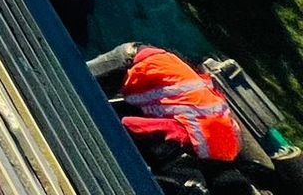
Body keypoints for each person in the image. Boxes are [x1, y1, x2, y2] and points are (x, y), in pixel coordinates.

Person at [90, 43, 267, 193]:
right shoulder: (192, 138)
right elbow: (129, 125)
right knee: (68, 88)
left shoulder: (230, 148)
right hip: (131, 63)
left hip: (158, 71)